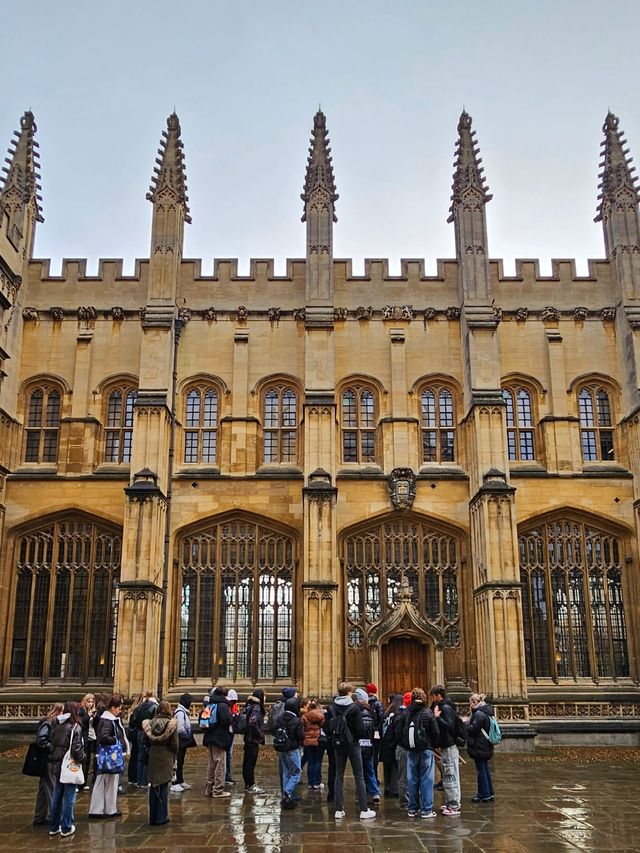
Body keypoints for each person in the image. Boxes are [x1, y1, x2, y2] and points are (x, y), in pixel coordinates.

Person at [330, 682, 376, 821]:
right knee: (359, 775)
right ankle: (363, 810)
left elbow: (328, 727)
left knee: (339, 775)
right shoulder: (355, 708)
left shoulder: (332, 707)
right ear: (349, 692)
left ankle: (338, 810)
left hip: (338, 744)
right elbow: (361, 730)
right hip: (353, 745)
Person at [399, 687, 440, 819]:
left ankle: (412, 809)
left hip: (411, 749)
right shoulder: (428, 713)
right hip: (426, 749)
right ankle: (426, 810)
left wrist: (405, 744)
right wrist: (433, 745)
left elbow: (399, 731)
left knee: (412, 779)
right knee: (427, 779)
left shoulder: (406, 713)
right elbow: (435, 732)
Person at [89, 694, 129, 818]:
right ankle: (101, 809)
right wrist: (116, 740)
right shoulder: (108, 720)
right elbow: (104, 737)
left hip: (109, 755)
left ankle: (106, 808)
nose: (120, 711)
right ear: (112, 708)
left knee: (108, 782)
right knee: (106, 782)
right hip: (109, 756)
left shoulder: (108, 719)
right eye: (118, 708)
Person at [48, 701, 85, 838]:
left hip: (57, 764)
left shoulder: (58, 725)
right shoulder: (75, 727)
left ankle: (53, 826)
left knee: (57, 796)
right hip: (69, 766)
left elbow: (53, 744)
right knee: (69, 797)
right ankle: (66, 827)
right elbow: (76, 749)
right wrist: (83, 758)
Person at [142, 699, 179, 826]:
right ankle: (161, 817)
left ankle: (152, 817)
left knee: (153, 786)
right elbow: (175, 744)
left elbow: (144, 741)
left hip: (153, 755)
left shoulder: (149, 724)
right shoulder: (171, 724)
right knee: (164, 786)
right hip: (166, 756)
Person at [430, 684, 462, 816]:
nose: (432, 699)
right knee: (449, 775)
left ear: (439, 696)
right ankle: (451, 802)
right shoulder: (443, 706)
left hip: (449, 746)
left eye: (434, 696)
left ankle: (454, 805)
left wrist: (437, 717)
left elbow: (450, 726)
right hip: (445, 746)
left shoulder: (446, 708)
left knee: (450, 775)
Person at [32, 701, 63, 827]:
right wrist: (52, 748)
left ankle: (40, 816)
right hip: (47, 760)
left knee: (43, 790)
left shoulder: (53, 723)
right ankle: (54, 817)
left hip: (48, 759)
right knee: (51, 788)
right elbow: (41, 740)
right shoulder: (48, 723)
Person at [464, 693, 495, 803]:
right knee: (485, 769)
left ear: (474, 702)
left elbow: (473, 729)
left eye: (471, 703)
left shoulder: (479, 714)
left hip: (480, 745)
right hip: (485, 744)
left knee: (481, 770)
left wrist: (466, 723)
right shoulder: (486, 712)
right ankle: (489, 792)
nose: (470, 705)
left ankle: (483, 794)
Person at [203, 687, 232, 799]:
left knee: (211, 765)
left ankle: (209, 789)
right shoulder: (223, 705)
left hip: (209, 737)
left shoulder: (210, 703)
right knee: (220, 764)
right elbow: (226, 720)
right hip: (219, 738)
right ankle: (218, 790)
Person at [354, 688, 381, 803]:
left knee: (359, 772)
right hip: (369, 746)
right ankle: (375, 792)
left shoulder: (356, 715)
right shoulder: (371, 715)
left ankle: (361, 794)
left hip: (358, 746)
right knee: (370, 770)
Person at [278, 696, 304, 809]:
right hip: (292, 749)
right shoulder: (296, 720)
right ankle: (287, 793)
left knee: (286, 772)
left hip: (282, 748)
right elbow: (301, 736)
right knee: (296, 772)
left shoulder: (280, 717)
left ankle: (286, 795)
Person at [129, 689, 158, 787]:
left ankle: (138, 779)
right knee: (146, 756)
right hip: (148, 733)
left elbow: (134, 720)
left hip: (139, 732)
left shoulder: (139, 707)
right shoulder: (154, 707)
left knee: (139, 757)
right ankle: (144, 780)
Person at [242, 689, 266, 794]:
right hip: (252, 739)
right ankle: (250, 784)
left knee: (247, 762)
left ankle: (248, 784)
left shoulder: (249, 705)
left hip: (248, 739)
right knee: (250, 763)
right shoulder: (256, 707)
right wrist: (259, 733)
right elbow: (253, 721)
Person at [171, 693, 195, 792]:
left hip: (182, 741)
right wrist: (187, 736)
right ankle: (175, 782)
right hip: (180, 740)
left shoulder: (183, 712)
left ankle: (180, 780)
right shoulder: (180, 712)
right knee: (177, 761)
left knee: (181, 762)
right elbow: (180, 728)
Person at [380, 694, 402, 799]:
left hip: (385, 742)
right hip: (393, 742)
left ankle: (387, 788)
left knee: (387, 766)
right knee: (395, 766)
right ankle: (394, 789)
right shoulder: (397, 714)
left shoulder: (386, 713)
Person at [302, 697, 325, 790]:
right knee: (318, 761)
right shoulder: (321, 715)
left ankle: (310, 782)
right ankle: (317, 782)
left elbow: (302, 727)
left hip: (308, 740)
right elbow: (323, 725)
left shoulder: (304, 716)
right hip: (318, 739)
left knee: (310, 762)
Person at [365, 682, 384, 782]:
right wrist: (378, 729)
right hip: (376, 734)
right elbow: (381, 718)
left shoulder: (365, 703)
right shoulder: (378, 703)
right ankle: (374, 777)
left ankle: (368, 777)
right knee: (375, 755)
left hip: (367, 732)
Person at [78, 693, 96, 791]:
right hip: (82, 738)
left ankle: (84, 782)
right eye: (89, 701)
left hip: (90, 737)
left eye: (92, 702)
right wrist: (88, 716)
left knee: (88, 760)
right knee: (82, 759)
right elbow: (80, 722)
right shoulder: (81, 710)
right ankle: (79, 783)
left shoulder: (91, 711)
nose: (90, 704)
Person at [225, 688, 239, 785]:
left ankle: (228, 776)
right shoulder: (224, 707)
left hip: (231, 733)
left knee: (229, 756)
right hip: (224, 735)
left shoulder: (234, 707)